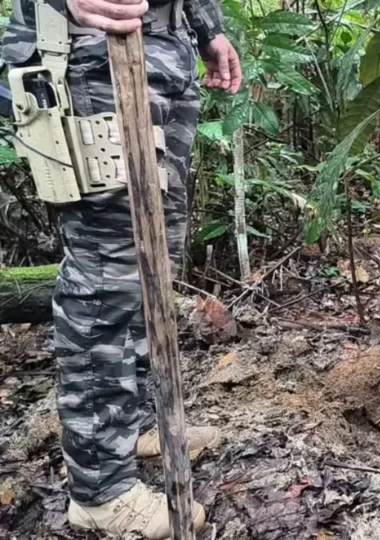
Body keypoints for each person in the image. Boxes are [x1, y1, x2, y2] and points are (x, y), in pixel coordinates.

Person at [1, 0, 241, 537]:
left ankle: (124, 426)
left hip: (165, 48)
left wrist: (205, 29)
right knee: (109, 271)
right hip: (87, 49)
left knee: (152, 257)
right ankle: (100, 488)